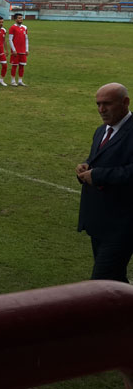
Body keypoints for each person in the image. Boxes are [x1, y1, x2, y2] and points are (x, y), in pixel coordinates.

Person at [76, 83, 133, 282]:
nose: (101, 109)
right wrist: (84, 167)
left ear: (125, 102)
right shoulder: (101, 131)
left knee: (101, 282)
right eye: (98, 104)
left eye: (107, 104)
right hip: (100, 221)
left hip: (123, 224)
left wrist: (99, 175)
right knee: (114, 281)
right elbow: (97, 160)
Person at [8, 12, 29, 86]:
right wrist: (13, 50)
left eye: (21, 18)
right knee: (14, 66)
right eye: (19, 18)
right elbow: (10, 39)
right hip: (16, 51)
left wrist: (27, 49)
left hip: (23, 51)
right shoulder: (12, 28)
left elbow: (26, 39)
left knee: (22, 66)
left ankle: (20, 81)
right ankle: (13, 81)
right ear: (15, 19)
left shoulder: (25, 27)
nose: (21, 19)